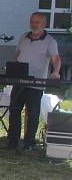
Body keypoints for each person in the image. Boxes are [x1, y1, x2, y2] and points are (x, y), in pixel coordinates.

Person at [7, 12, 62, 151]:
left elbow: (56, 58)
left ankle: (29, 143)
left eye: (37, 22)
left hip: (36, 83)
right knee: (14, 110)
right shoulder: (23, 37)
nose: (33, 24)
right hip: (19, 81)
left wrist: (56, 71)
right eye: (32, 21)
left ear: (44, 24)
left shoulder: (50, 41)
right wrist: (13, 68)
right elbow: (17, 53)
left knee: (32, 114)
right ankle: (12, 141)